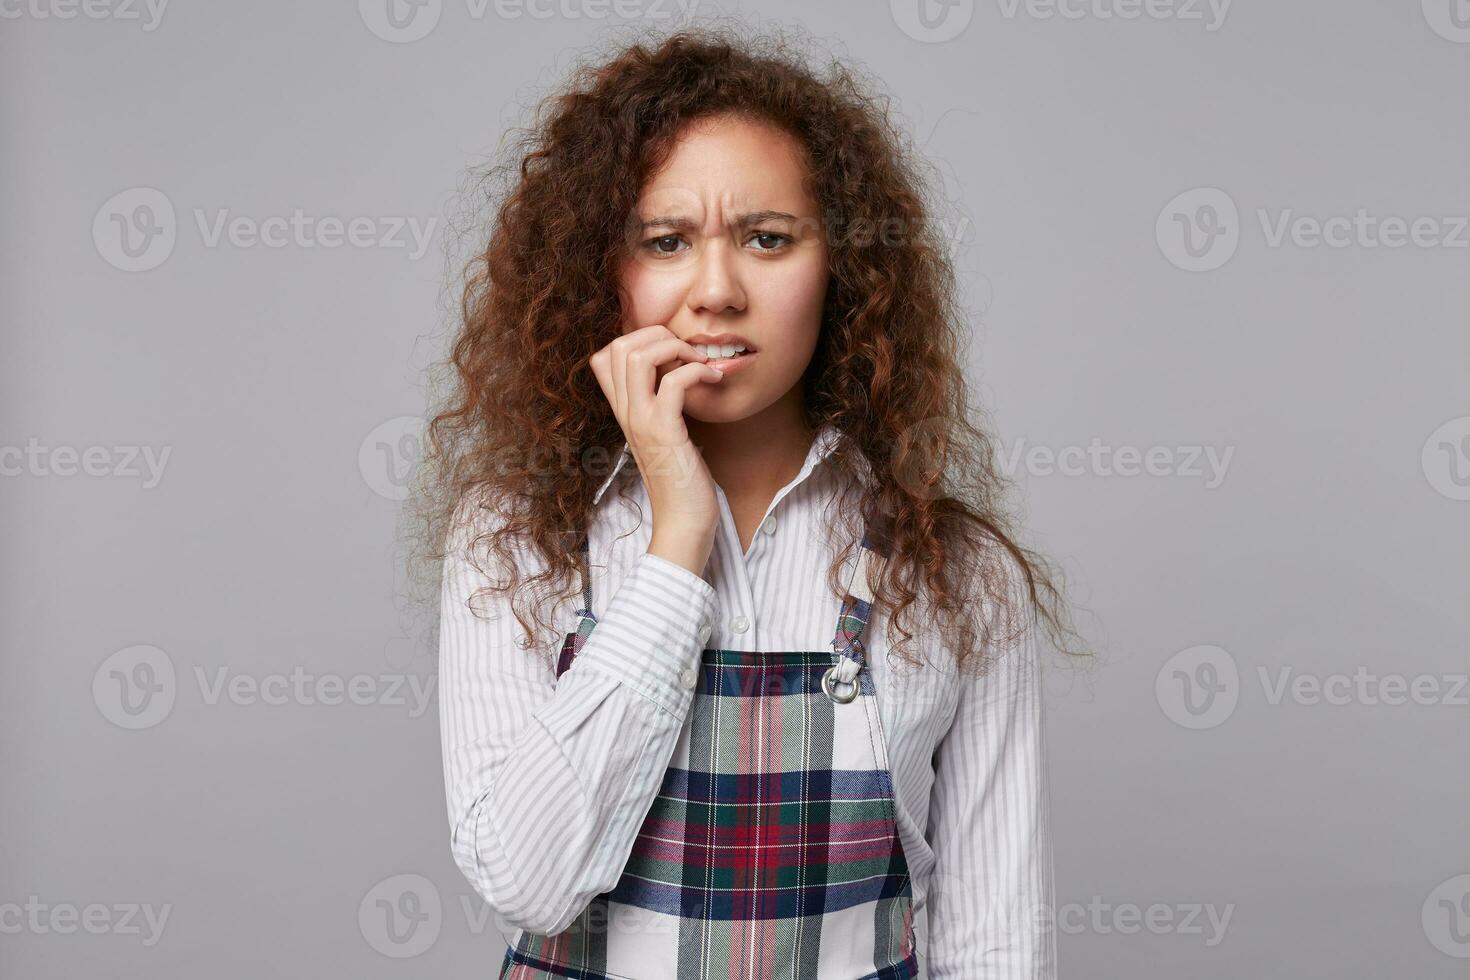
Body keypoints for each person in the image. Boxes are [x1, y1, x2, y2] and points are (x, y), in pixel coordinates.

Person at [421, 24, 1080, 979]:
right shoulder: (513, 541)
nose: (717, 291)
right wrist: (677, 540)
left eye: (768, 239)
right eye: (666, 242)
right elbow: (531, 884)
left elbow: (994, 943)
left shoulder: (958, 576)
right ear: (601, 272)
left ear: (842, 267)